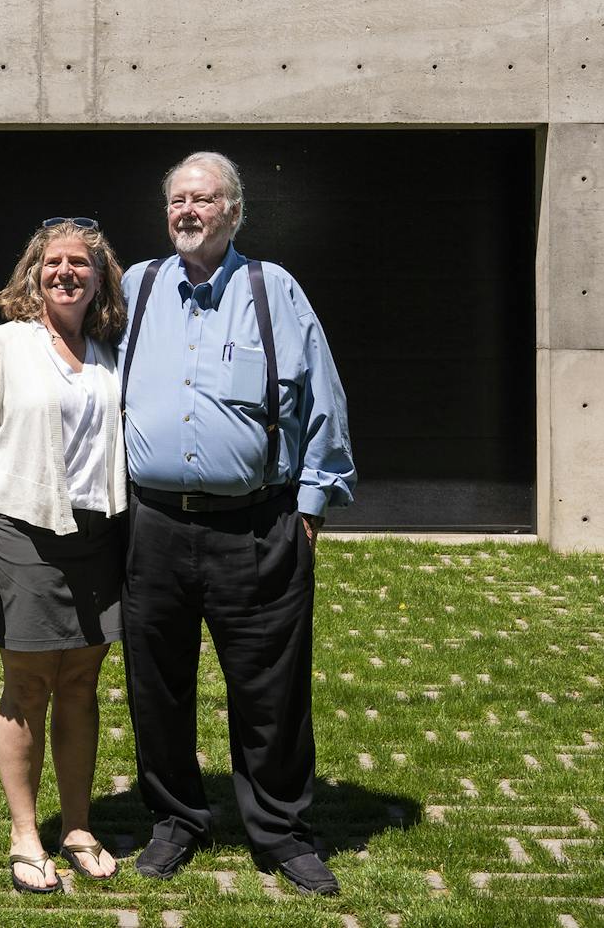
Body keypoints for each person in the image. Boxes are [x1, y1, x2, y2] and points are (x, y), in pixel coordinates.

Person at [119, 151, 356, 896]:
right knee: (156, 683)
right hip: (151, 525)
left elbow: (323, 397)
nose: (188, 211)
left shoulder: (273, 288)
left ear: (234, 211)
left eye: (204, 198)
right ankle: (176, 818)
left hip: (257, 524)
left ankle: (281, 829)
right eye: (177, 200)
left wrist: (311, 507)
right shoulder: (137, 286)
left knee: (270, 687)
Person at [0, 218, 128, 894]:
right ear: (34, 271)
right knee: (28, 686)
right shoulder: (5, 345)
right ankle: (26, 833)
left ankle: (77, 825)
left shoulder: (109, 347)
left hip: (99, 537)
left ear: (100, 275)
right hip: (23, 533)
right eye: (55, 262)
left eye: (81, 263)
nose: (67, 272)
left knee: (82, 683)